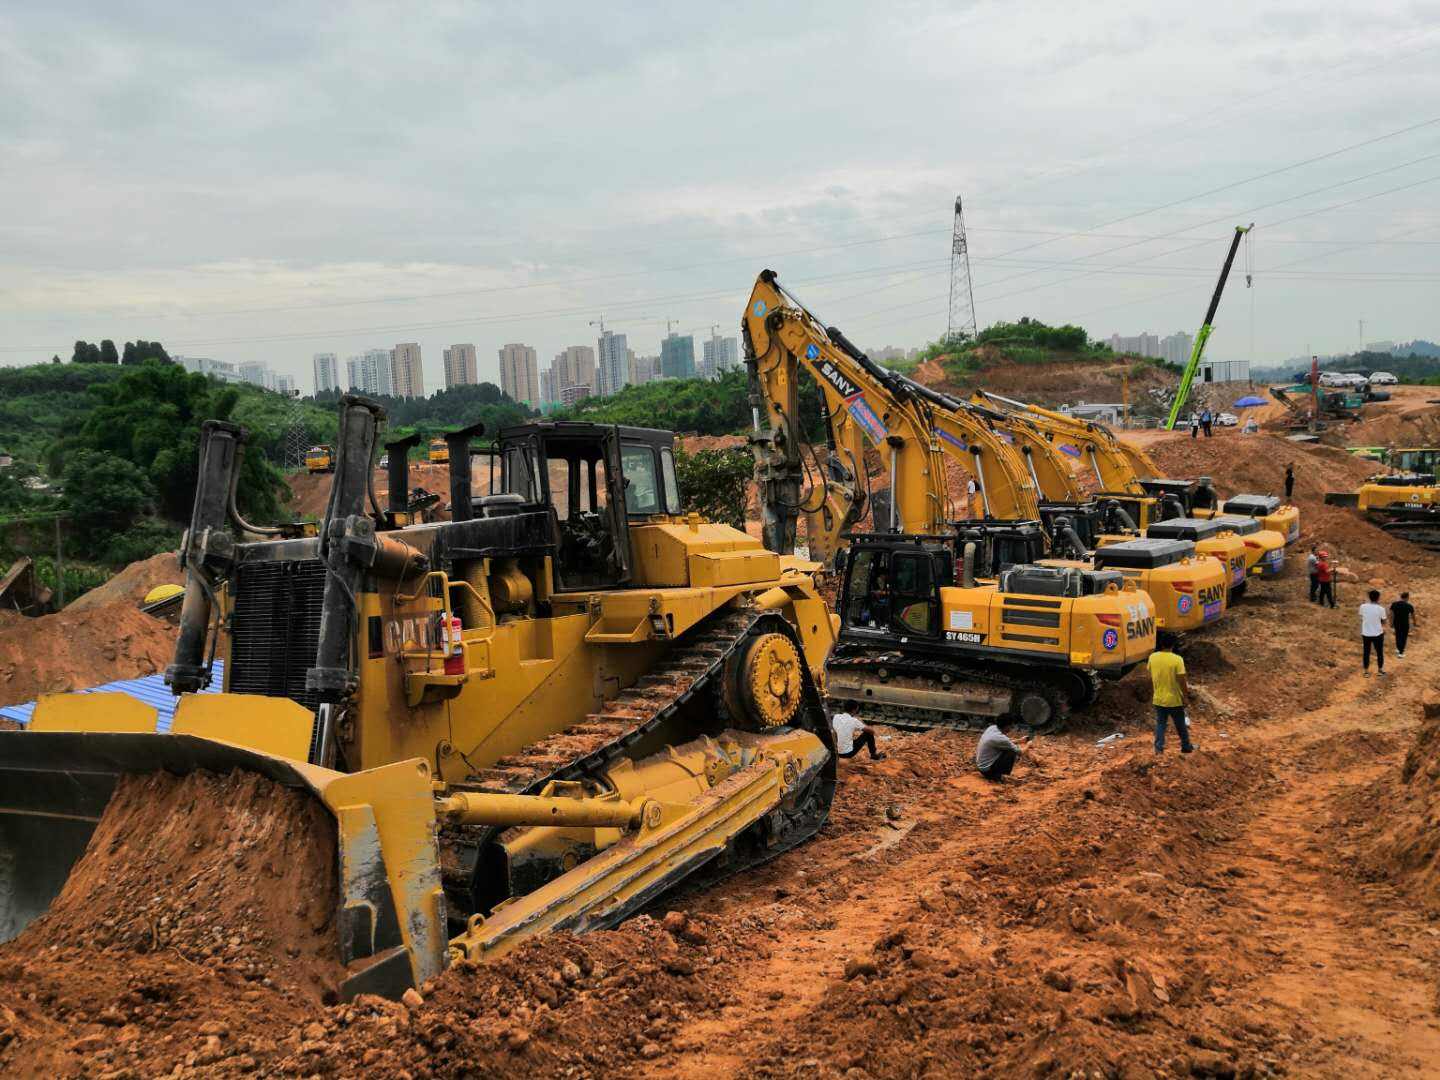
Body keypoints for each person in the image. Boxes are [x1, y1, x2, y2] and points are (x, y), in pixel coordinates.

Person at [1148, 630, 1195, 754]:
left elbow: (1150, 672)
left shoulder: (1153, 657)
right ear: (1173, 645)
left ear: (1161, 644)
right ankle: (1186, 746)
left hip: (1158, 698)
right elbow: (1182, 680)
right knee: (1180, 724)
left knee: (1161, 724)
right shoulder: (1177, 660)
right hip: (1174, 699)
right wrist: (1185, 697)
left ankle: (1158, 748)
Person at [1360, 589, 1387, 676]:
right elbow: (1384, 621)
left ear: (1369, 597)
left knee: (1366, 652)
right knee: (1379, 652)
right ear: (1378, 598)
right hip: (1378, 633)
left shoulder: (1363, 606)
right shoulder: (1381, 609)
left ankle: (1366, 671)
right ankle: (1380, 670)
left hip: (1366, 633)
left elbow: (1361, 617)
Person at [1391, 592, 1417, 658]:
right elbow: (1413, 615)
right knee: (1403, 638)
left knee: (1397, 636)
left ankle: (1398, 648)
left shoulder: (1394, 604)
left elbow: (1391, 614)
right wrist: (1415, 623)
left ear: (1401, 597)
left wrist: (1391, 623)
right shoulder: (1409, 606)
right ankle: (1401, 653)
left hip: (1396, 623)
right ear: (1407, 597)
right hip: (1405, 624)